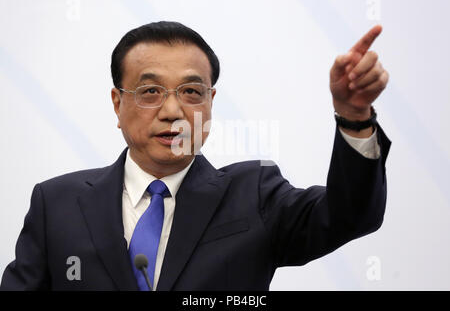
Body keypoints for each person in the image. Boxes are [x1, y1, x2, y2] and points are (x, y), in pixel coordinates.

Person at [1, 21, 390, 291]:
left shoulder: (254, 194)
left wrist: (354, 118)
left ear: (211, 103)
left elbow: (350, 215)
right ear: (118, 104)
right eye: (150, 92)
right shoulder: (57, 203)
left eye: (191, 92)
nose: (173, 111)